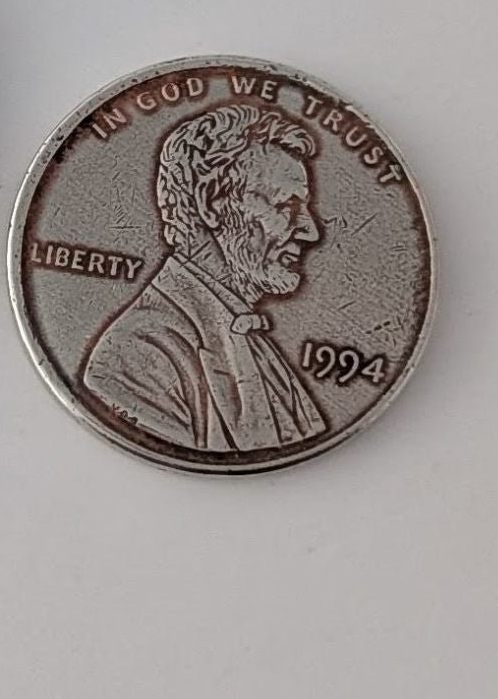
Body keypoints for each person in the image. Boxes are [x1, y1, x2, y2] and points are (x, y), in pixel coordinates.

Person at [82, 101, 328, 454]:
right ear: (212, 203)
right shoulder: (136, 357)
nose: (311, 231)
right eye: (285, 207)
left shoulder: (251, 337)